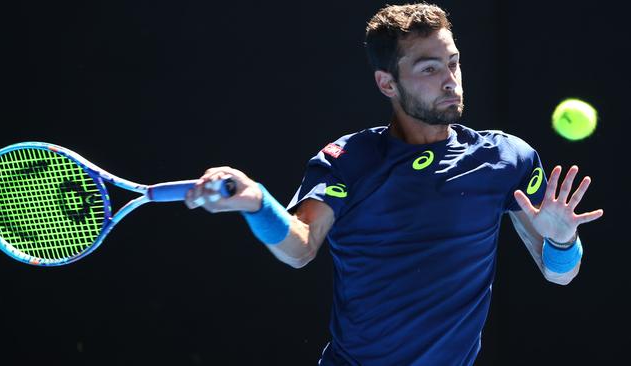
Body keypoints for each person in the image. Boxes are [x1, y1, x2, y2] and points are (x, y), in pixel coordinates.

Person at [184, 3, 604, 365]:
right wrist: (259, 204)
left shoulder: (507, 159)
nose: (450, 80)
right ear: (388, 83)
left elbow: (558, 275)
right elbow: (300, 247)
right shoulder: (350, 161)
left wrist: (564, 242)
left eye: (453, 62)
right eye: (429, 68)